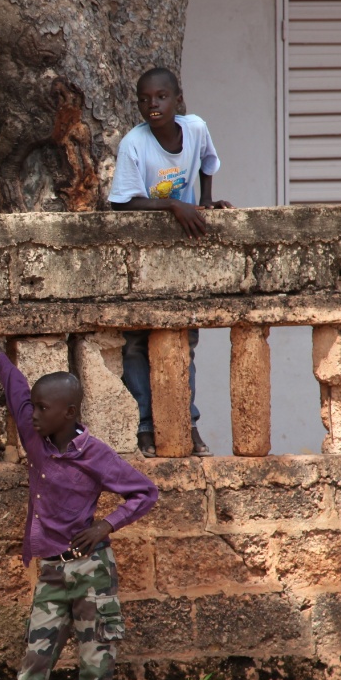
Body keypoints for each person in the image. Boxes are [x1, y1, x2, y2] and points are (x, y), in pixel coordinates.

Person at [0, 303, 159, 680]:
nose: (30, 414)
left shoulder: (94, 454)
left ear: (68, 413)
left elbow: (144, 492)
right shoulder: (35, 440)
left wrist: (106, 527)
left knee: (96, 667)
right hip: (52, 574)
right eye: (32, 407)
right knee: (34, 666)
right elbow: (12, 387)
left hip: (92, 572)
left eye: (42, 408)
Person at [109, 67, 233, 457]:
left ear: (178, 99)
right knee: (135, 346)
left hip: (181, 259)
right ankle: (145, 428)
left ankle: (185, 424)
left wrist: (205, 201)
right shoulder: (134, 143)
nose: (153, 106)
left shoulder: (195, 128)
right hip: (139, 260)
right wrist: (173, 204)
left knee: (184, 343)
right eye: (145, 99)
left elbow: (207, 165)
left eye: (161, 97)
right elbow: (121, 202)